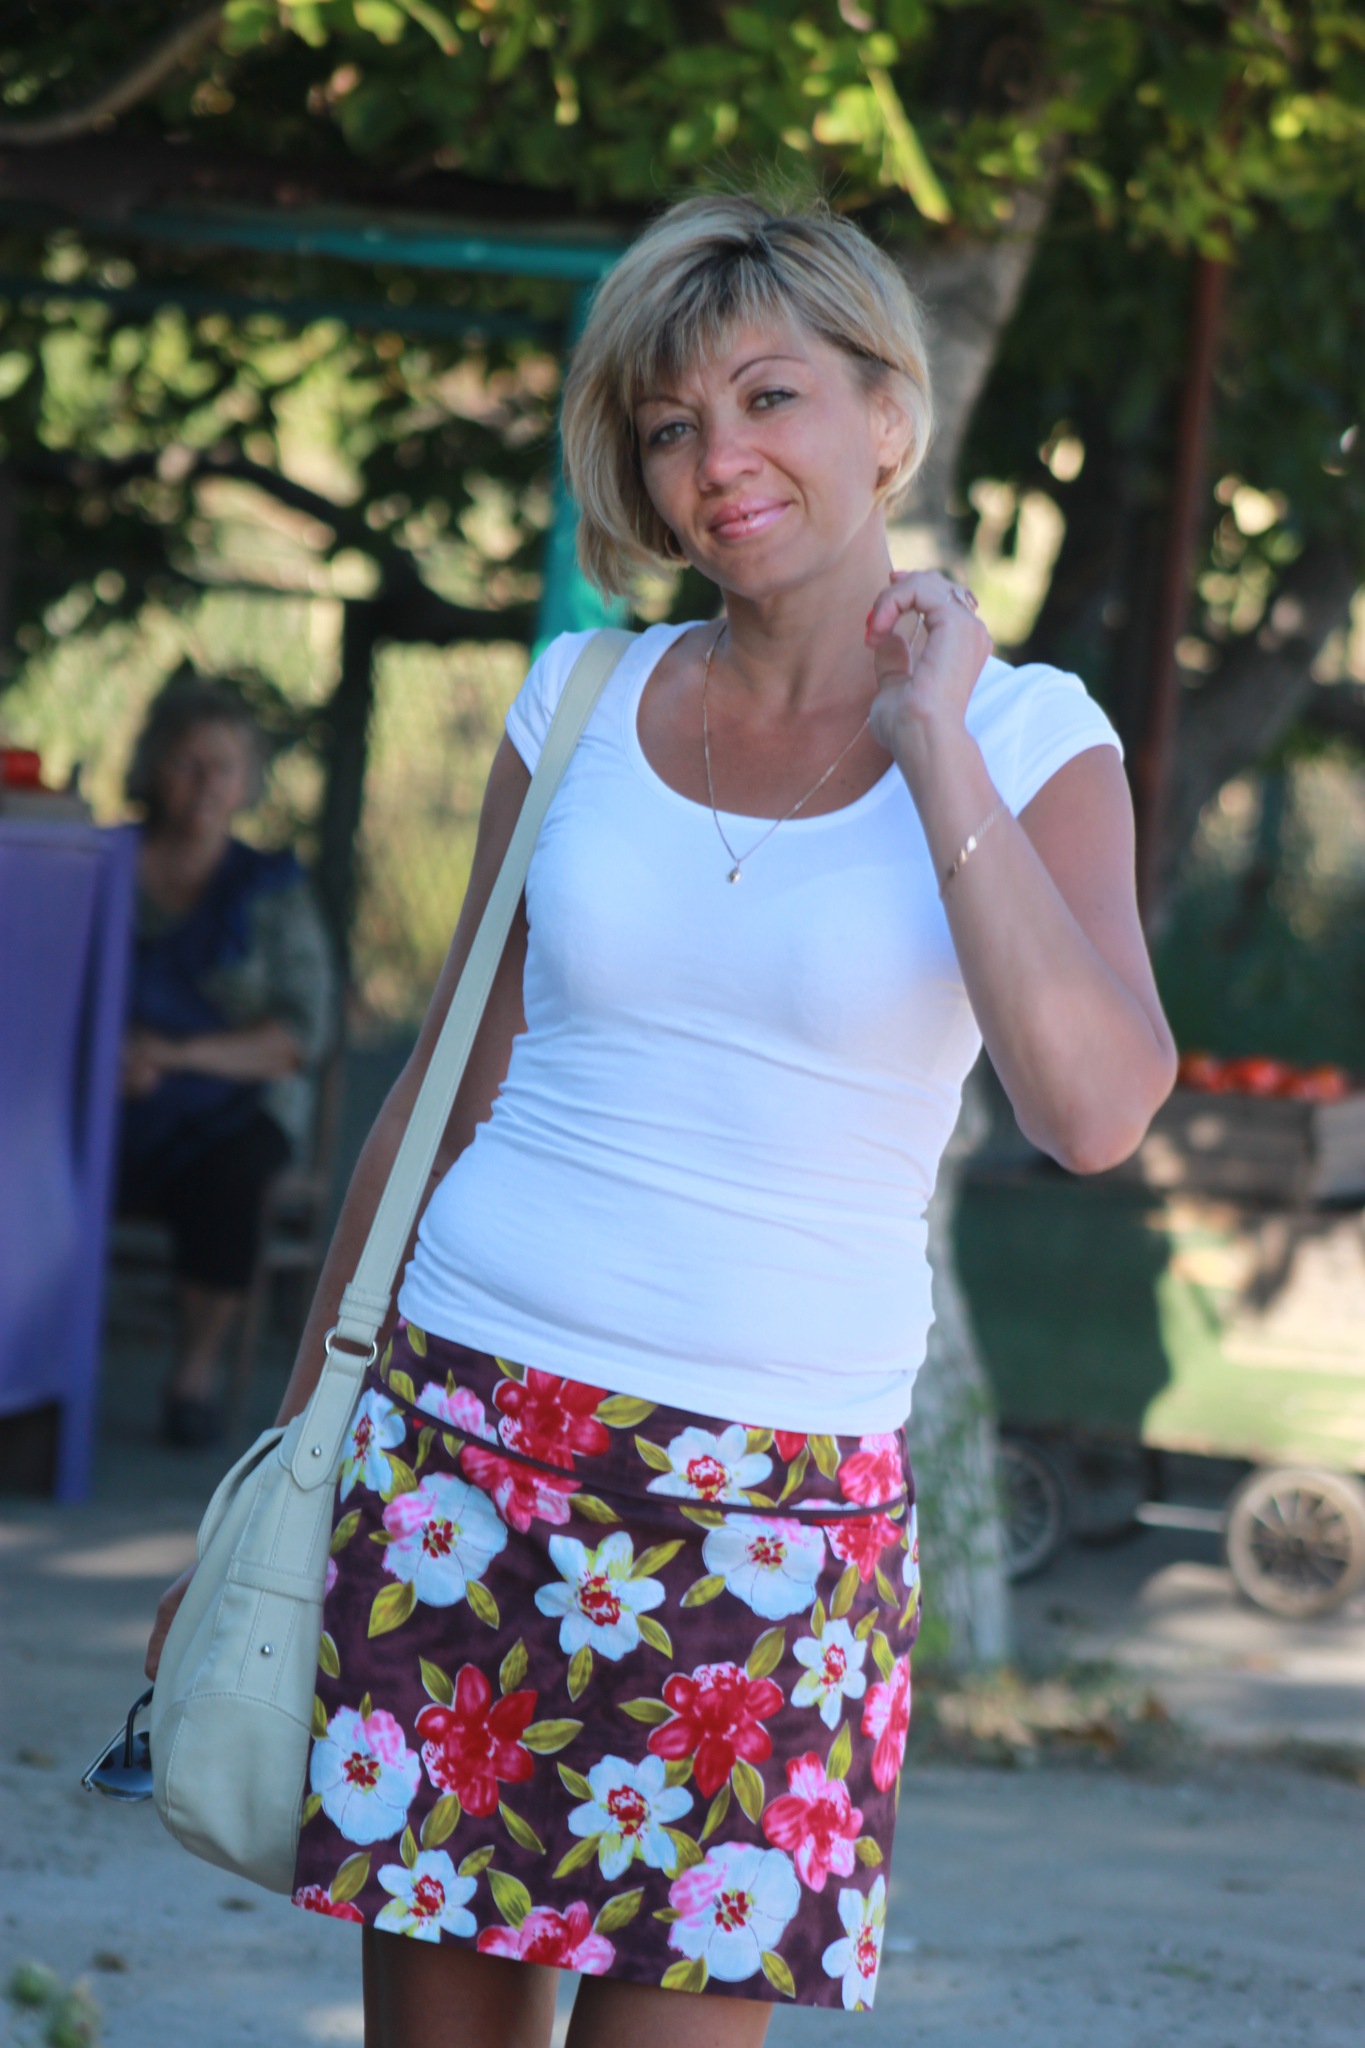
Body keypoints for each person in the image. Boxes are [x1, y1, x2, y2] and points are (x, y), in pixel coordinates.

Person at [147, 195, 1176, 2045]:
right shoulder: (580, 696)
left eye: (770, 397)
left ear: (886, 412)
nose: (720, 460)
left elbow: (1094, 1107)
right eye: (670, 423)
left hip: (778, 1523)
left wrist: (930, 735)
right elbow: (440, 1091)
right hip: (462, 1455)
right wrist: (292, 1462)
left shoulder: (1032, 740)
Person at [118, 675, 336, 1448]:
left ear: (247, 783)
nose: (205, 784)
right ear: (154, 767)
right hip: (112, 1088)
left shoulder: (271, 890)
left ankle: (195, 1374)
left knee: (232, 1177)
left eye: (224, 767)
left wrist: (174, 1057)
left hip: (235, 1103)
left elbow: (300, 1035)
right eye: (188, 763)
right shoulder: (107, 864)